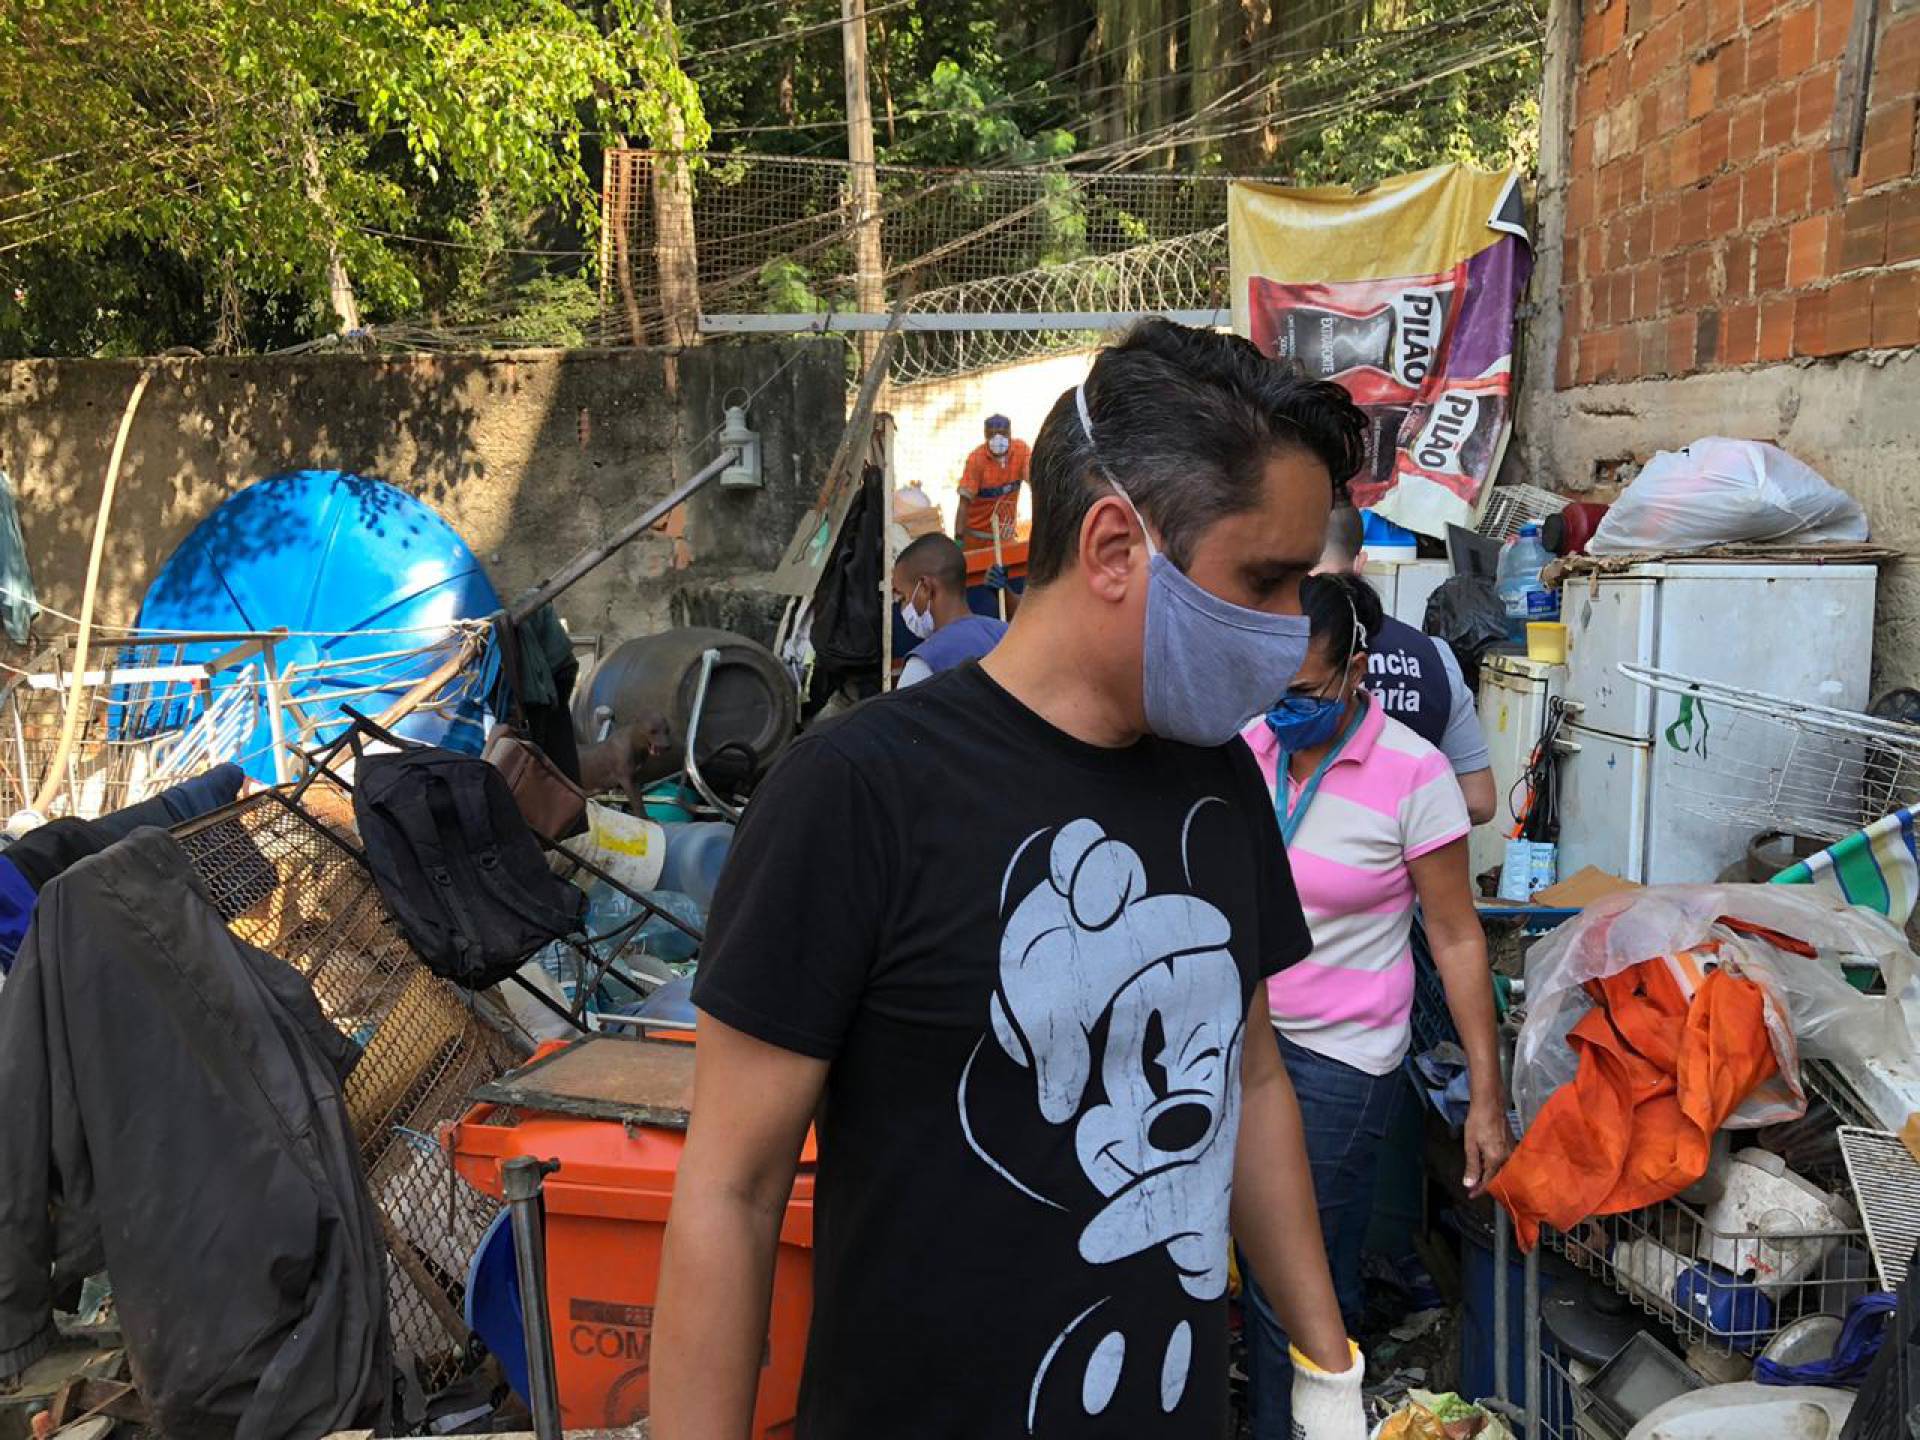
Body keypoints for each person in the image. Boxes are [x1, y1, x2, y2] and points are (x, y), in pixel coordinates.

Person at [653, 320, 1375, 1440]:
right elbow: (732, 1192)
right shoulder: (857, 796)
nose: (1290, 631)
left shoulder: (1219, 781)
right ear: (1114, 548)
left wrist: (1328, 1371)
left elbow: (1255, 1077)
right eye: (1265, 581)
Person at [1236, 571, 1512, 1440]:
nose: (1284, 709)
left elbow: (1457, 938)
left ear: (1357, 671)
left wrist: (1487, 1095)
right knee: (1283, 1259)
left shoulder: (1414, 774)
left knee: (1289, 1276)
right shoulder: (1250, 745)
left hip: (1340, 1057)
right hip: (1243, 1040)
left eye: (1304, 692)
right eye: (1273, 688)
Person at [1318, 506, 1496, 825]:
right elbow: (1478, 802)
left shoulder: (1280, 652)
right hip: (1412, 851)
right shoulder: (1434, 656)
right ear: (1360, 564)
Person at [892, 533, 1007, 687]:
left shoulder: (922, 667)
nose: (903, 608)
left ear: (925, 588)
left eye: (903, 597)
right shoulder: (1005, 633)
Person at [953, 413, 1029, 546]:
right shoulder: (976, 459)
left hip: (1005, 535)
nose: (998, 438)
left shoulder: (1021, 451)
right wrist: (958, 538)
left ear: (1010, 433)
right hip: (977, 537)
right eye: (992, 434)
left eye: (1002, 433)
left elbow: (1035, 481)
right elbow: (963, 504)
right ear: (985, 435)